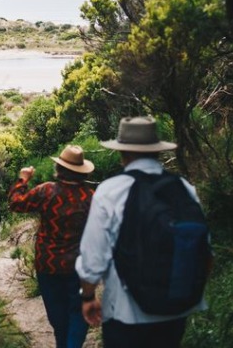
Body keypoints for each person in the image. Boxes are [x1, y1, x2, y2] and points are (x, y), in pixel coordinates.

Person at [75, 116, 207, 348]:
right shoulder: (184, 188)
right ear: (156, 151)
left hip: (126, 313)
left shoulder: (110, 191)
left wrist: (88, 296)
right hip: (177, 309)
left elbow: (93, 259)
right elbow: (205, 251)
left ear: (122, 153)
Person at [8, 145, 96, 348]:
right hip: (78, 265)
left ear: (59, 169)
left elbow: (16, 203)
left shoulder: (46, 191)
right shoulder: (90, 196)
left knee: (58, 318)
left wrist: (23, 179)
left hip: (47, 264)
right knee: (78, 313)